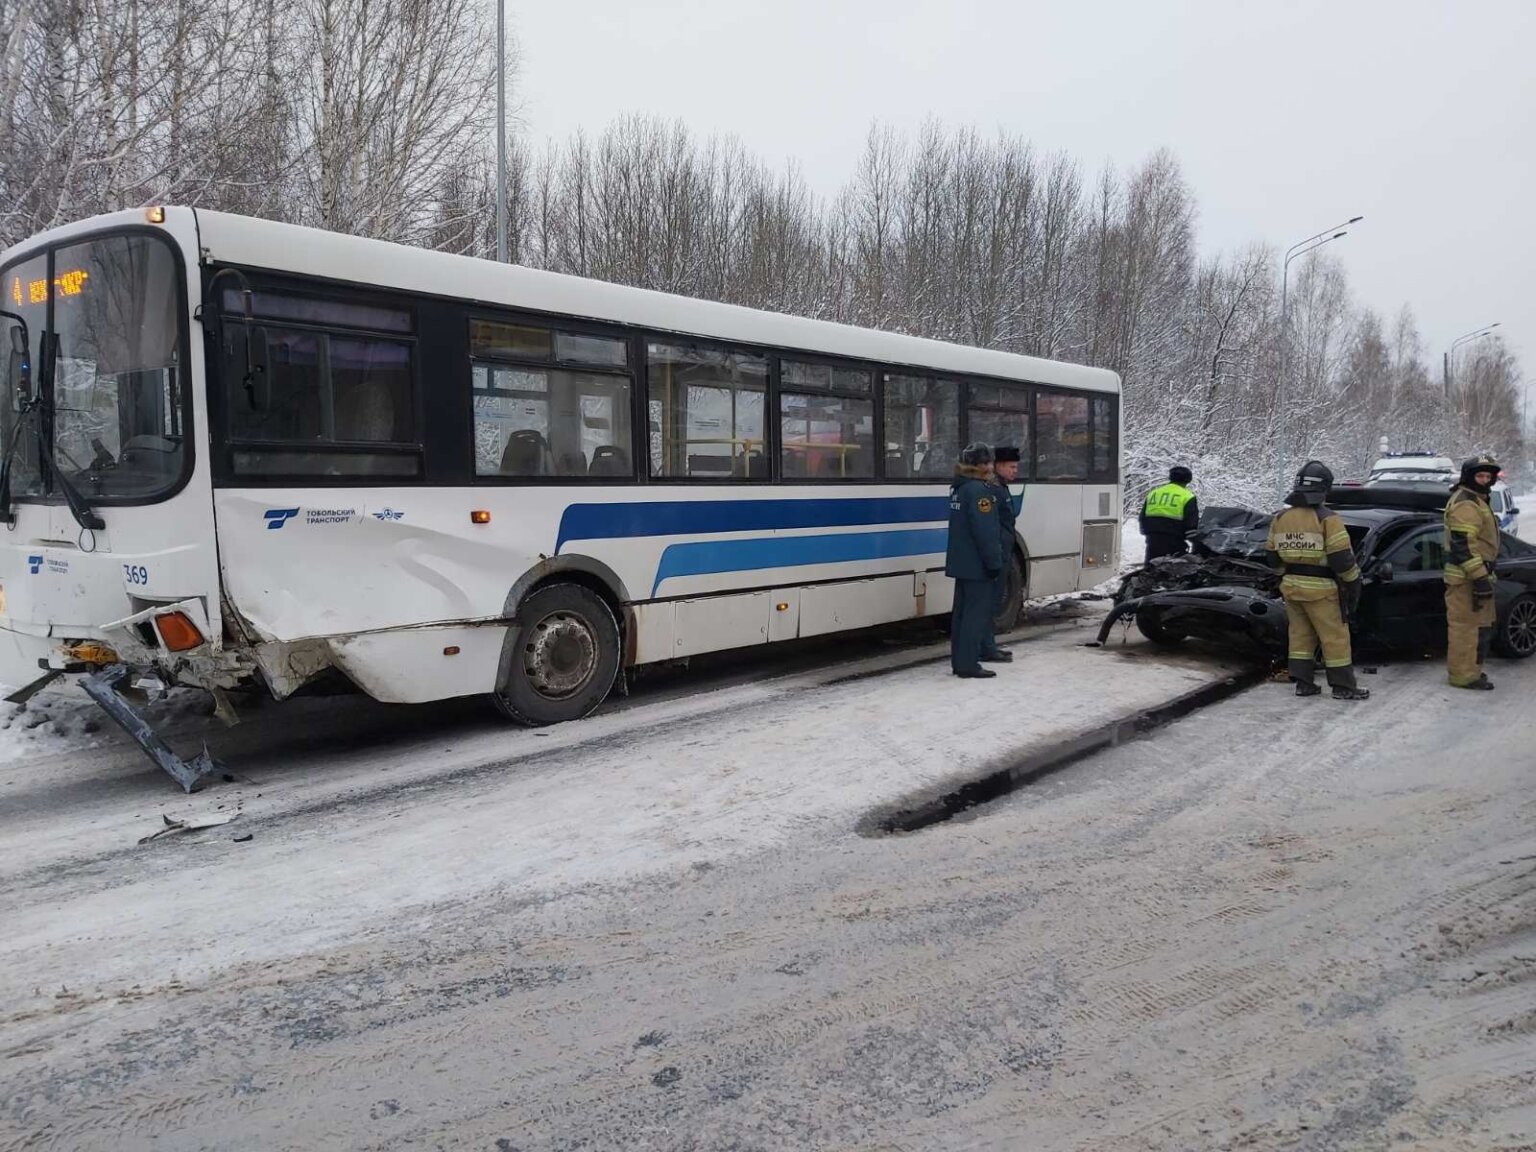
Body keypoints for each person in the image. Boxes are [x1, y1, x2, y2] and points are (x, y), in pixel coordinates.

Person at [1265, 460, 1369, 700]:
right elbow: (1342, 558)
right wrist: (1353, 582)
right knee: (1335, 638)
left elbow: (1271, 555)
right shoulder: (1327, 519)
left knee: (1300, 635)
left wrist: (1285, 575)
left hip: (1291, 587)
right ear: (1324, 489)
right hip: (1322, 590)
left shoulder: (1280, 518)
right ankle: (1343, 687)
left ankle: (1303, 683)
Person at [1444, 455, 1501, 690]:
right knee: (1465, 629)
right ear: (1469, 476)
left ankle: (1472, 670)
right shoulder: (1467, 502)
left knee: (1479, 627)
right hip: (1466, 579)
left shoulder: (1477, 499)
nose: (1485, 480)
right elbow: (1463, 545)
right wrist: (1479, 578)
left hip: (1476, 575)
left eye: (1488, 476)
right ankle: (1463, 675)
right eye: (1480, 475)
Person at [946, 442, 1003, 679]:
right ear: (980, 465)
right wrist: (994, 563)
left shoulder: (959, 488)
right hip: (977, 565)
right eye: (988, 462)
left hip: (961, 563)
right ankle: (969, 664)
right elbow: (986, 531)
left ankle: (959, 661)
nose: (991, 466)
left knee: (960, 616)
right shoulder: (980, 491)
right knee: (974, 616)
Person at [980, 445, 1022, 663]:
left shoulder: (1001, 486)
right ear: (999, 466)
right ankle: (985, 647)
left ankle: (989, 645)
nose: (1015, 471)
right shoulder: (993, 489)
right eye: (1012, 467)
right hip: (997, 552)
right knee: (988, 603)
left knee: (994, 603)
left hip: (1003, 551)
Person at [1140, 466, 1199, 561]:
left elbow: (1143, 517)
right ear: (1188, 480)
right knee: (1175, 568)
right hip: (1174, 540)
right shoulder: (1188, 496)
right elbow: (1191, 525)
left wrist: (1148, 532)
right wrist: (1197, 542)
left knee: (1151, 567)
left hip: (1152, 539)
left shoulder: (1154, 493)